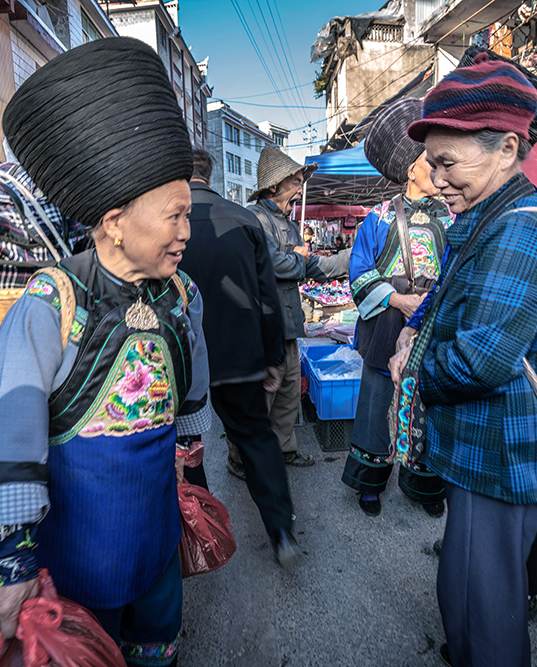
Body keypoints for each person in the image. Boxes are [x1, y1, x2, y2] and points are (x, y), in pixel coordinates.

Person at [0, 39, 211, 667]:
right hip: (75, 543)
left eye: (188, 215)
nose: (187, 231)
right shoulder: (54, 302)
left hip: (155, 528)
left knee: (157, 641)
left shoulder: (182, 294)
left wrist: (187, 461)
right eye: (175, 215)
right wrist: (10, 561)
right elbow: (8, 427)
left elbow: (191, 385)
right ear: (114, 219)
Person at [392, 53, 537, 666]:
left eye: (448, 164)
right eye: (433, 164)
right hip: (483, 445)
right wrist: (414, 333)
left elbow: (479, 362)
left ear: (506, 147)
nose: (439, 178)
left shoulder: (523, 232)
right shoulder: (486, 219)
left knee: (484, 599)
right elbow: (450, 301)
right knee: (469, 586)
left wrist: (413, 368)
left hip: (500, 451)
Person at [179, 149, 302, 566]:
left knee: (187, 443)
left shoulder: (168, 222)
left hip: (185, 356)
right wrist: (272, 357)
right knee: (255, 435)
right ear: (210, 175)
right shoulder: (246, 219)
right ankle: (281, 529)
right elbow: (268, 297)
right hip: (241, 352)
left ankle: (200, 527)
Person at [342, 98, 453, 518]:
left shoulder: (451, 218)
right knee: (377, 403)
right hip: (388, 323)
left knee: (429, 404)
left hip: (433, 322)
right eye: (432, 162)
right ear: (411, 170)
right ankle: (370, 481)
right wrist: (398, 299)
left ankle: (423, 484)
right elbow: (359, 273)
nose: (440, 171)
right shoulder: (379, 218)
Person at [232, 146, 349, 474]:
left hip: (289, 321)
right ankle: (240, 459)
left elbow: (307, 266)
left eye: (300, 180)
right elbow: (272, 264)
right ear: (274, 186)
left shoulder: (286, 221)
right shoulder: (256, 218)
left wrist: (352, 259)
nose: (300, 187)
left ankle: (284, 448)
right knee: (261, 394)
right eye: (295, 181)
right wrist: (298, 257)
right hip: (265, 321)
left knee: (287, 390)